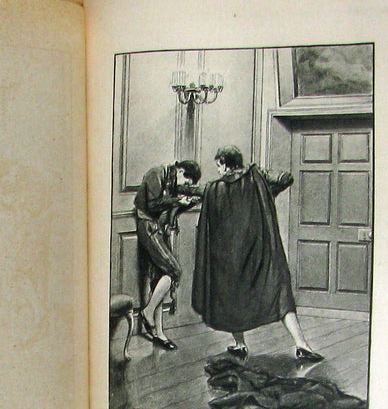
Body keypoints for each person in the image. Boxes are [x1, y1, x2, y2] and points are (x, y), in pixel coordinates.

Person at [192, 145, 322, 362]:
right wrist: (267, 188)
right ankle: (301, 344)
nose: (218, 170)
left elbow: (198, 191)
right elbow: (285, 178)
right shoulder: (256, 178)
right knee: (279, 293)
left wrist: (180, 189)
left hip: (230, 257)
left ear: (227, 165)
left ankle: (241, 344)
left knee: (231, 296)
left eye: (219, 165)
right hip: (258, 253)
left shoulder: (216, 188)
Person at [134, 159, 202, 349]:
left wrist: (187, 204)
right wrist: (177, 200)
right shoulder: (156, 174)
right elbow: (153, 205)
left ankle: (159, 333)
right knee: (174, 270)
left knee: (160, 280)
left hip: (159, 229)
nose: (185, 186)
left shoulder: (172, 180)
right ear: (180, 171)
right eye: (186, 182)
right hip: (148, 227)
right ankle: (147, 312)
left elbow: (169, 208)